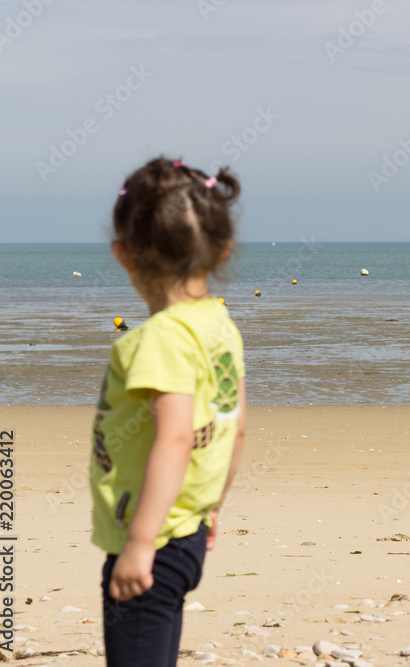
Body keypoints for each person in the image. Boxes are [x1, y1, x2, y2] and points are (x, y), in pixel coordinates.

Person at [90, 157, 247, 666]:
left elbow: (176, 436)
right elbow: (235, 426)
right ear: (223, 247)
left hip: (151, 538)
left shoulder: (159, 340)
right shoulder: (218, 326)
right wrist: (212, 506)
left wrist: (139, 543)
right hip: (189, 529)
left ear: (122, 254)